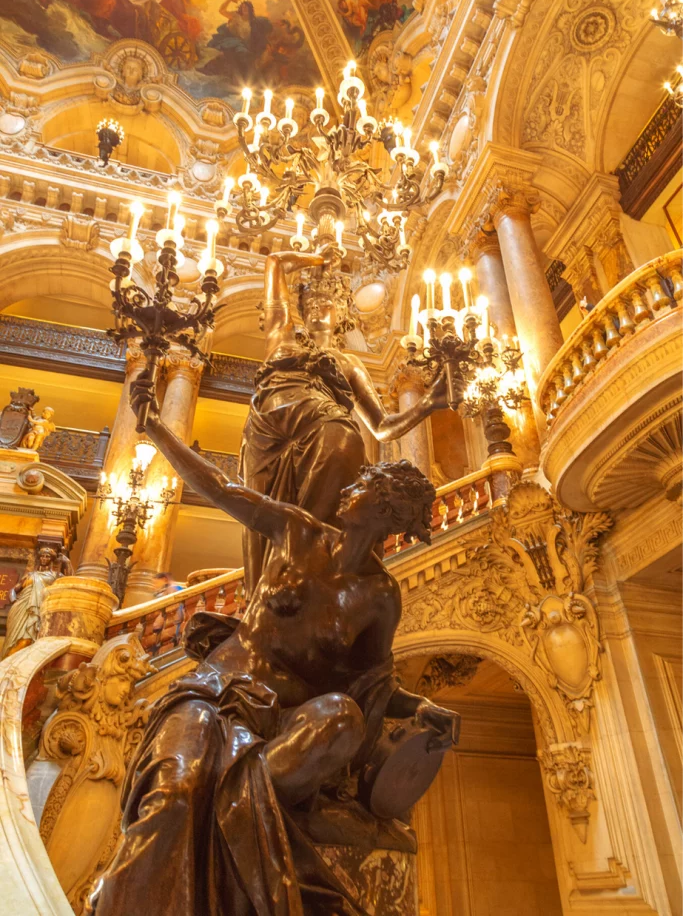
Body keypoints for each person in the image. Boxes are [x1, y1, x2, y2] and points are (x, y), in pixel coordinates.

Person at [89, 377, 458, 916]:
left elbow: (375, 684)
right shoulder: (297, 532)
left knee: (344, 720)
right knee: (175, 792)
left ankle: (241, 801)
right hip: (217, 694)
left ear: (381, 511)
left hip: (281, 726)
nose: (346, 490)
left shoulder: (380, 595)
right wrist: (153, 428)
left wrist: (421, 707)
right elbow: (220, 488)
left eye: (360, 487)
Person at [239, 250, 454, 595]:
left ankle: (312, 576)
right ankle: (268, 586)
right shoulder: (281, 334)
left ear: (340, 313)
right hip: (267, 434)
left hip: (327, 428)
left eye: (326, 302)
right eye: (310, 301)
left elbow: (382, 425)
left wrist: (427, 404)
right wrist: (315, 258)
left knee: (326, 499)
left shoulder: (351, 362)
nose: (317, 307)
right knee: (260, 518)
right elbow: (275, 262)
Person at [1, 546, 61, 658]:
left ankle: (11, 665)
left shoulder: (55, 576)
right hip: (21, 608)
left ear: (51, 559)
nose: (44, 558)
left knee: (27, 639)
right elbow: (13, 590)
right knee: (12, 639)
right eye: (42, 556)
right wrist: (14, 600)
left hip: (37, 609)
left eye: (47, 556)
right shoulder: (30, 575)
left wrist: (66, 564)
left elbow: (68, 583)